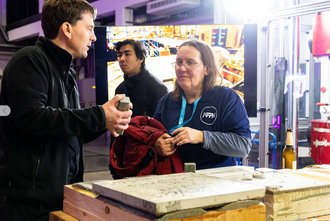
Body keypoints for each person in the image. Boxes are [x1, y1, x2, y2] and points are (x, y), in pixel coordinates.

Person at [0, 1, 132, 220]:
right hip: (27, 204)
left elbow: (67, 129)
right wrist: (99, 114)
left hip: (57, 197)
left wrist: (107, 121)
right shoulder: (30, 60)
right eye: (89, 28)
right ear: (67, 29)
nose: (94, 37)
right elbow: (33, 118)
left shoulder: (66, 73)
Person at [153, 40, 251, 170]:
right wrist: (156, 145)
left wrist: (202, 137)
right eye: (179, 62)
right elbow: (153, 135)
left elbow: (243, 146)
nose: (182, 68)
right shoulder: (167, 101)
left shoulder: (226, 98)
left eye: (190, 62)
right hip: (175, 179)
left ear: (207, 69)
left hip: (216, 182)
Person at [115, 39, 168, 117]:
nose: (122, 59)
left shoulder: (158, 88)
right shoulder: (120, 89)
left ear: (141, 58)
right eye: (119, 55)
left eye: (127, 54)